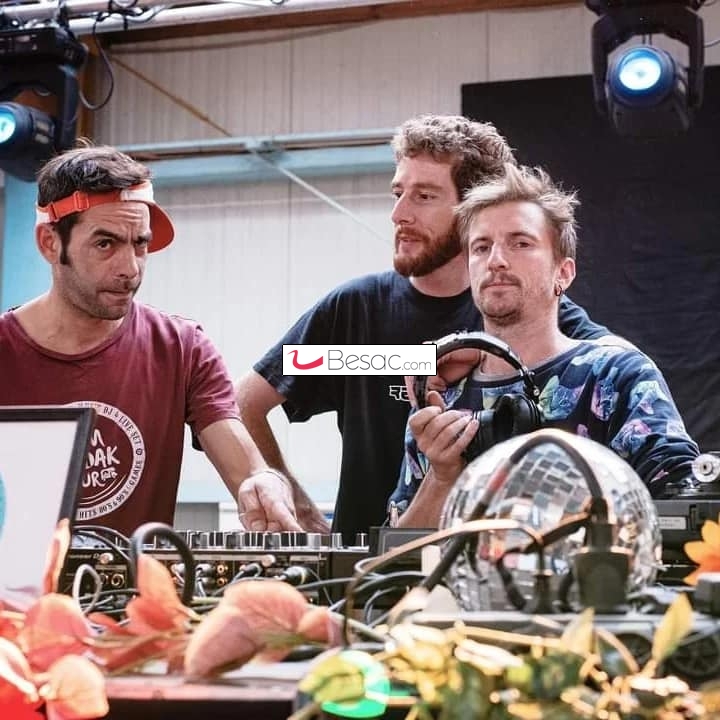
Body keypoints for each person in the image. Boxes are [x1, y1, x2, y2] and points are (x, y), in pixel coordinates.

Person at [236, 114, 613, 541]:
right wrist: (291, 496)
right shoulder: (356, 312)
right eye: (398, 193)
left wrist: (487, 350)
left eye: (424, 196)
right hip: (369, 568)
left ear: (473, 208)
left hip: (491, 562)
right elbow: (243, 402)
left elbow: (621, 369)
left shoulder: (524, 312)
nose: (399, 214)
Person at [0, 143, 301, 538]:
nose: (130, 268)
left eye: (140, 244)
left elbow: (245, 468)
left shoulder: (183, 348)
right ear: (50, 243)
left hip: (140, 579)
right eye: (105, 244)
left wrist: (264, 483)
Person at [390, 163, 700, 528]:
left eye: (520, 243)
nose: (496, 261)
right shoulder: (440, 398)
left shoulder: (616, 376)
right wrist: (441, 478)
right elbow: (398, 552)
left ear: (563, 273)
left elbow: (686, 505)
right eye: (481, 247)